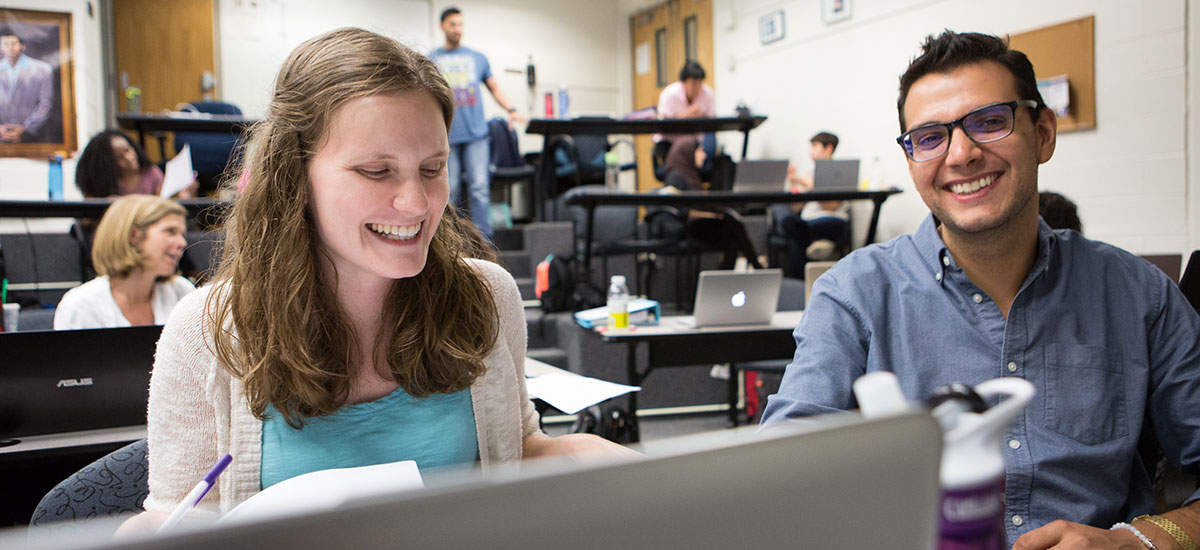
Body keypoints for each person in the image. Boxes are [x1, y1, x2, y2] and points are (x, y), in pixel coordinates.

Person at [119, 27, 631, 532]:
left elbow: (515, 447)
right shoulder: (208, 329)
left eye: (432, 168)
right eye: (375, 171)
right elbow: (176, 519)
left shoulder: (487, 296)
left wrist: (582, 454)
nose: (416, 204)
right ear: (294, 178)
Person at [760, 30, 1200, 550]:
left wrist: (1136, 541)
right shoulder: (853, 297)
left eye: (990, 122)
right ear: (911, 162)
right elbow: (777, 485)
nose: (961, 154)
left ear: (1043, 133)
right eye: (929, 137)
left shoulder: (1140, 297)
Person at [654, 60, 761, 271]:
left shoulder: (707, 95)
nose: (697, 87)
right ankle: (758, 268)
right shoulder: (677, 177)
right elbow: (684, 213)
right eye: (693, 83)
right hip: (672, 144)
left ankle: (737, 274)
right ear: (684, 82)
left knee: (724, 163)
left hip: (691, 144)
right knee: (734, 227)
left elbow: (710, 124)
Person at [429, 7, 524, 239]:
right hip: (447, 137)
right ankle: (448, 240)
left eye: (461, 24)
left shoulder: (477, 57)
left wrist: (511, 109)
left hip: (477, 136)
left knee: (480, 189)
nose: (458, 29)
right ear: (442, 26)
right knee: (450, 193)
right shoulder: (432, 59)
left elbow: (494, 88)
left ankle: (485, 244)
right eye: (453, 24)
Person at [53, 194, 194, 330]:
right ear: (133, 235)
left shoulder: (181, 292)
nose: (182, 242)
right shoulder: (79, 306)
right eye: (170, 231)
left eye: (182, 234)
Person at [779, 132, 850, 277]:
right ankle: (802, 280)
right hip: (809, 223)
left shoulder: (839, 172)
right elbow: (797, 208)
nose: (811, 152)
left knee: (800, 235)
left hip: (831, 221)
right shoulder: (809, 174)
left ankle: (820, 245)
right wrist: (793, 181)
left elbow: (830, 206)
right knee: (788, 223)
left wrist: (805, 183)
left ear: (828, 148)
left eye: (815, 147)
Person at [0, 28, 53, 143]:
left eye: (13, 43)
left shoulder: (43, 70)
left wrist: (26, 129)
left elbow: (45, 104)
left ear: (22, 46)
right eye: (5, 44)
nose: (10, 47)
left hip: (33, 137)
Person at [76, 130, 166, 197]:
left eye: (128, 150)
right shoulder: (102, 181)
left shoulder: (151, 173)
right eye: (119, 157)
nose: (128, 158)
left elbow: (163, 203)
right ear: (108, 163)